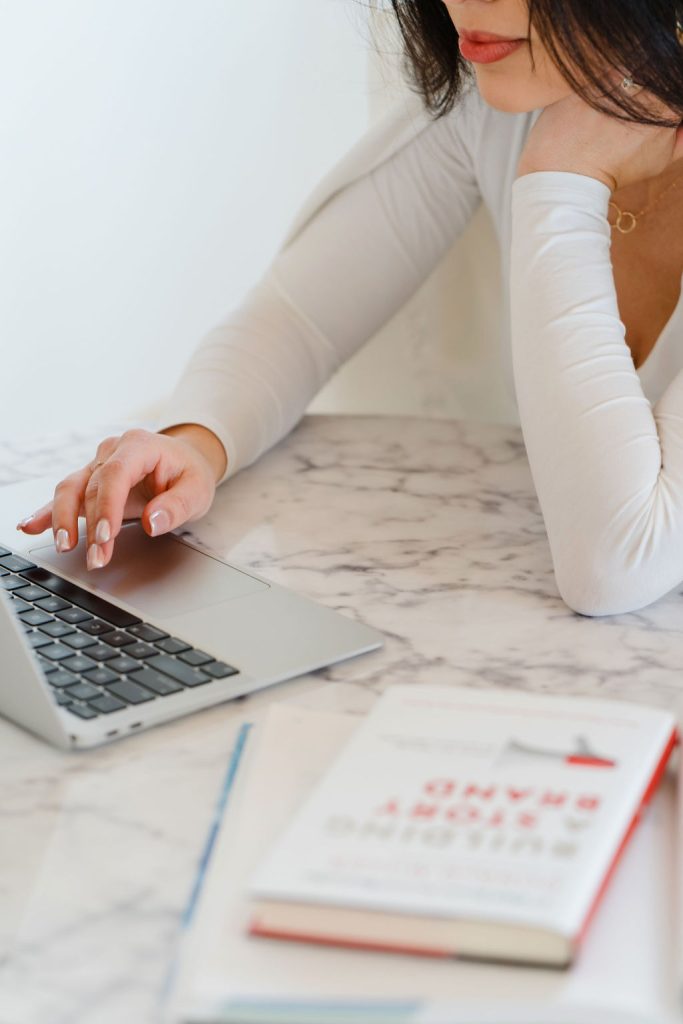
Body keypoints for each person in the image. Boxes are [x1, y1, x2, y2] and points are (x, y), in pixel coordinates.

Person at [16, 0, 683, 617]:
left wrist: (561, 182)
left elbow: (615, 566)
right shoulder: (511, 100)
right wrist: (194, 445)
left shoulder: (549, 123)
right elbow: (297, 318)